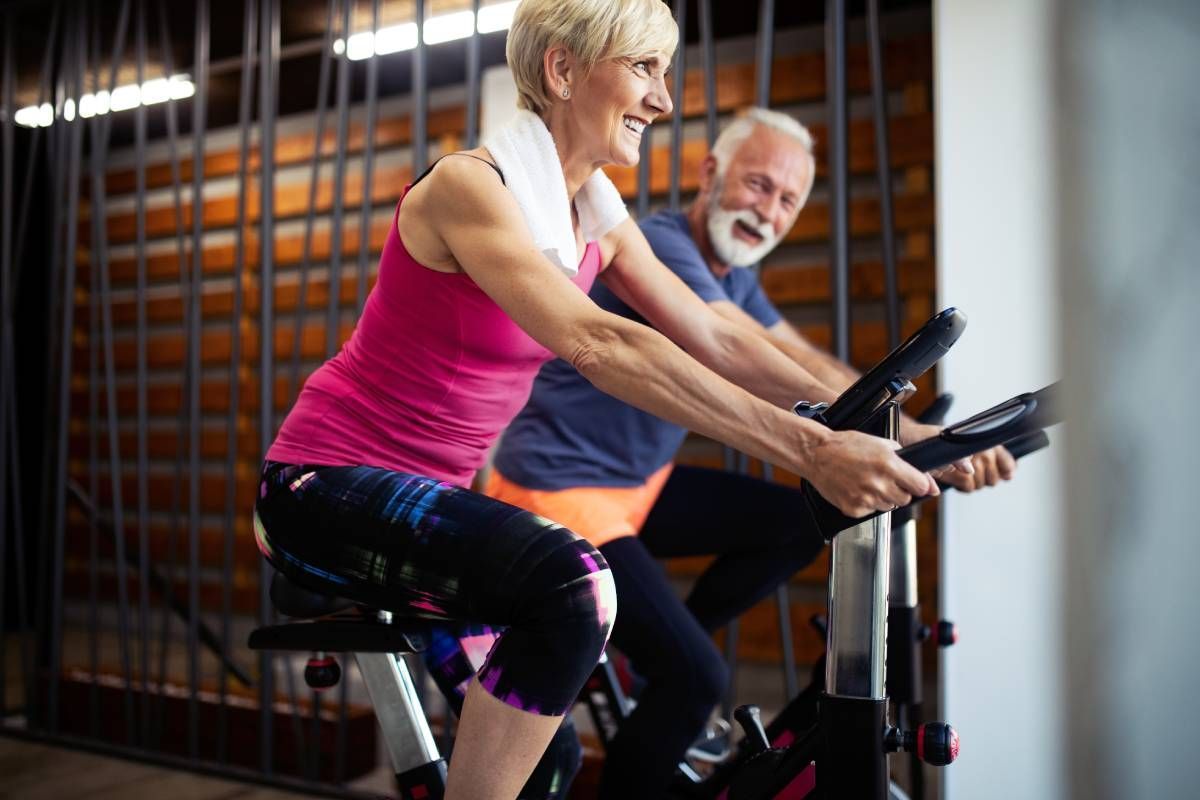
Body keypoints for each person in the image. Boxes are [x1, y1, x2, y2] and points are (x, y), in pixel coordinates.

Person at [252, 2, 939, 798]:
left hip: (431, 499)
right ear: (563, 69)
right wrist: (814, 450)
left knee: (549, 758)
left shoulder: (592, 211)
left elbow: (715, 333)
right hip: (317, 488)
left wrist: (891, 417)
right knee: (575, 587)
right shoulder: (471, 188)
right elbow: (599, 341)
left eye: (663, 73)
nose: (664, 100)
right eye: (644, 69)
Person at [483, 107, 1015, 796]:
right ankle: (658, 675)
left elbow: (795, 351)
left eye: (788, 200)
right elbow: (734, 346)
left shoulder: (733, 271)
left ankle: (637, 660)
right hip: (557, 492)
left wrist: (906, 424)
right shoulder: (667, 245)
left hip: (639, 485)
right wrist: (914, 440)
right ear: (711, 174)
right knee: (696, 677)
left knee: (800, 518)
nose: (769, 212)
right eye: (758, 185)